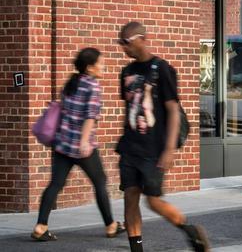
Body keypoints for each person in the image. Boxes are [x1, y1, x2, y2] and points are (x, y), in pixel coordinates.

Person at [116, 21, 210, 252]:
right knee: (130, 198)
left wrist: (169, 149)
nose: (123, 47)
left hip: (154, 149)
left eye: (125, 42)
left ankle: (190, 230)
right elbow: (128, 108)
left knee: (154, 201)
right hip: (130, 147)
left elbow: (172, 110)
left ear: (142, 39)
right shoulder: (126, 72)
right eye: (120, 43)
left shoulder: (162, 69)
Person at [32, 48, 125, 242]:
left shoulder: (71, 83)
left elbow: (65, 111)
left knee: (55, 184)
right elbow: (90, 116)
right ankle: (110, 226)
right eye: (100, 63)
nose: (103, 66)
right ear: (90, 68)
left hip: (62, 143)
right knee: (99, 182)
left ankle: (41, 227)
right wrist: (83, 142)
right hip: (82, 146)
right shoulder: (93, 86)